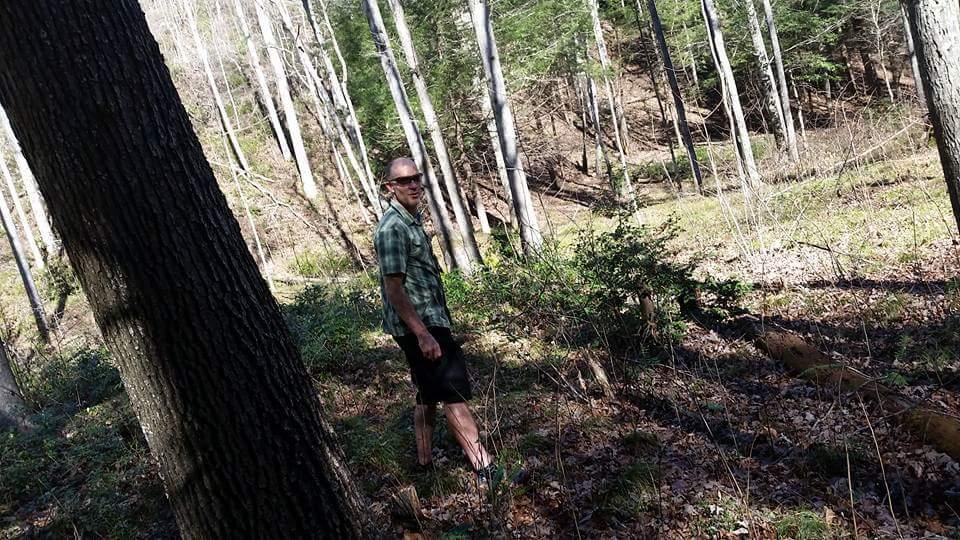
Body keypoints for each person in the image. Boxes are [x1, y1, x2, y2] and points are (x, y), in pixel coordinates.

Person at [373, 157, 495, 480]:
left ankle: (424, 464)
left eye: (416, 178)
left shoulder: (410, 220)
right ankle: (485, 467)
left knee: (427, 392)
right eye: (404, 181)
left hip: (428, 321)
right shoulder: (392, 228)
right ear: (390, 187)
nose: (413, 185)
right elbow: (394, 289)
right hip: (420, 327)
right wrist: (423, 334)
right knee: (452, 391)